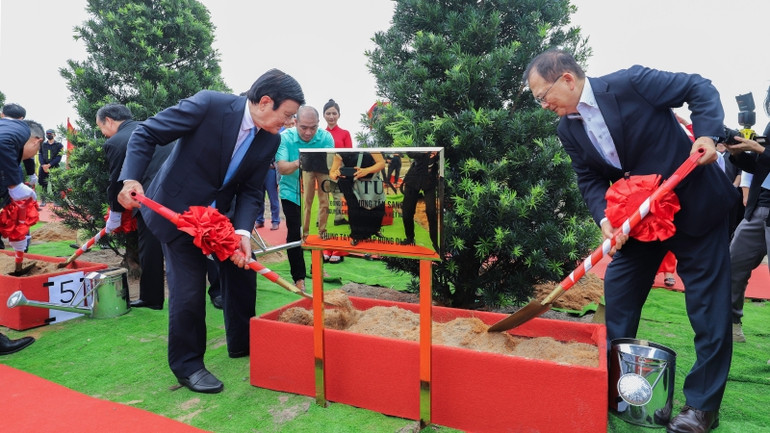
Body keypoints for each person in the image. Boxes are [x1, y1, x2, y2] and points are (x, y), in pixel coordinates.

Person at [525, 49, 735, 433]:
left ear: (567, 80)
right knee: (619, 293)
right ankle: (614, 386)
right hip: (641, 225)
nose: (544, 105)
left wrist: (707, 133)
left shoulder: (631, 84)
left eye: (543, 96)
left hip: (696, 208)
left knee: (708, 308)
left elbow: (697, 87)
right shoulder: (567, 129)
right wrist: (605, 218)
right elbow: (588, 178)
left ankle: (703, 408)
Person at [118, 69, 304, 394]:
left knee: (243, 271)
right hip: (177, 214)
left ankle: (242, 342)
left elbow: (250, 190)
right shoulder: (209, 105)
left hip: (221, 218)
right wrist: (130, 178)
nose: (288, 123)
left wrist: (243, 233)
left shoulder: (269, 139)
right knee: (189, 292)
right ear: (264, 102)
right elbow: (146, 133)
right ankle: (188, 366)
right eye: (287, 115)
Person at [97, 103, 171, 310]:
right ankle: (217, 292)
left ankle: (152, 298)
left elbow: (117, 181)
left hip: (149, 198)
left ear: (109, 121)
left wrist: (115, 214)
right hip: (178, 194)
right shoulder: (156, 128)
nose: (103, 133)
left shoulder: (117, 141)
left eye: (101, 127)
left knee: (150, 248)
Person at [723, 89, 770, 343]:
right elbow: (760, 167)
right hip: (758, 207)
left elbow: (765, 156)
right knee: (733, 263)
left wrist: (760, 150)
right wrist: (738, 152)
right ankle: (732, 326)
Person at [276, 105, 334, 292]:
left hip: (318, 193)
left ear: (318, 124)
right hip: (291, 192)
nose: (308, 132)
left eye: (313, 127)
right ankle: (299, 277)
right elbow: (282, 168)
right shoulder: (285, 137)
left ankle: (317, 267)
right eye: (304, 127)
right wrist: (301, 161)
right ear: (296, 122)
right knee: (295, 232)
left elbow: (330, 166)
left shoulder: (325, 138)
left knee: (319, 231)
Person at [0, 118, 45, 355]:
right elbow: (2, 142)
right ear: (36, 140)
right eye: (37, 150)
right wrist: (18, 185)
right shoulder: (17, 128)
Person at [329, 151, 387, 246]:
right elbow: (331, 172)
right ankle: (356, 236)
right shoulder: (342, 151)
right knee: (355, 211)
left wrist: (366, 170)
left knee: (377, 208)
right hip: (351, 185)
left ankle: (375, 230)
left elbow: (381, 163)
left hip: (371, 183)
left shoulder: (369, 146)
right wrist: (336, 173)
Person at [322, 99, 352, 262]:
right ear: (324, 115)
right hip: (324, 176)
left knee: (339, 210)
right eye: (328, 113)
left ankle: (339, 250)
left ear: (339, 115)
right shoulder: (321, 134)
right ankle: (326, 248)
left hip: (340, 176)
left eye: (334, 113)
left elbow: (349, 156)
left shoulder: (345, 133)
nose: (331, 116)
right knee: (325, 208)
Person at [400, 151, 440, 251]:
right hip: (413, 178)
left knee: (431, 212)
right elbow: (410, 152)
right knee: (407, 211)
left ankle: (435, 243)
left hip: (430, 180)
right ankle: (410, 238)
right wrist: (425, 153)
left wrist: (436, 153)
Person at [38, 128, 63, 206]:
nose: (49, 135)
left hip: (54, 167)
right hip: (43, 167)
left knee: (55, 184)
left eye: (50, 134)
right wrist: (43, 165)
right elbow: (40, 155)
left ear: (54, 135)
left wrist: (49, 165)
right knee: (43, 184)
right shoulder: (42, 145)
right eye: (47, 134)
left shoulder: (59, 145)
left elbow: (59, 157)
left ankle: (56, 201)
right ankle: (43, 200)